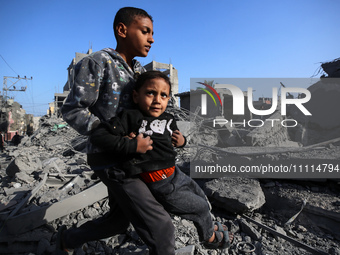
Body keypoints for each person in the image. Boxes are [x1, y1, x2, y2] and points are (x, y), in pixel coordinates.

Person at [58, 7, 175, 255]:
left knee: (119, 220)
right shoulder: (98, 63)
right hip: (110, 157)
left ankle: (68, 239)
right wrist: (109, 134)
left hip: (134, 156)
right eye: (145, 31)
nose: (152, 39)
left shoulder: (139, 72)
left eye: (152, 33)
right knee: (161, 226)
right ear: (122, 30)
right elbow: (72, 109)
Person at [90, 70, 233, 249]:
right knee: (199, 208)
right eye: (151, 93)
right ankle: (209, 238)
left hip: (176, 173)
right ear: (136, 96)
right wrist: (132, 146)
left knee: (202, 198)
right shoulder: (130, 117)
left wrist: (182, 141)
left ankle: (209, 226)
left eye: (163, 95)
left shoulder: (168, 118)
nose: (157, 100)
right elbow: (99, 135)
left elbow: (176, 140)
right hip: (162, 185)